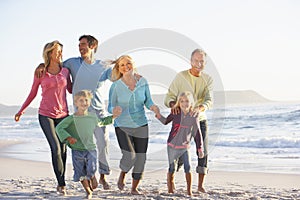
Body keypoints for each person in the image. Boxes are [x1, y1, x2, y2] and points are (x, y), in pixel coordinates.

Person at [35, 35, 113, 189]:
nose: (80, 47)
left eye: (83, 45)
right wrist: (40, 65)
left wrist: (123, 67)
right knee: (83, 146)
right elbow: (54, 63)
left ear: (93, 46)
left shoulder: (102, 65)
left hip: (98, 111)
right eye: (79, 45)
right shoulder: (72, 63)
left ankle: (103, 176)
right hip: (80, 113)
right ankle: (88, 176)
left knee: (103, 144)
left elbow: (115, 77)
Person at [15, 40, 72, 195]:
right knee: (55, 148)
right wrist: (21, 110)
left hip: (64, 115)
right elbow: (33, 92)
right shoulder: (41, 72)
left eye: (61, 51)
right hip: (46, 115)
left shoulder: (65, 71)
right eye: (57, 51)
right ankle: (61, 184)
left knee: (63, 149)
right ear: (49, 53)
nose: (60, 53)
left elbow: (72, 89)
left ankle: (61, 181)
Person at [108, 55, 160, 195]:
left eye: (128, 63)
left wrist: (154, 107)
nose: (126, 67)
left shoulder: (143, 82)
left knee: (141, 157)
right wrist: (114, 110)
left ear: (133, 64)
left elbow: (148, 101)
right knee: (130, 156)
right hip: (122, 125)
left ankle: (134, 188)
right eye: (122, 65)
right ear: (119, 69)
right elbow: (110, 106)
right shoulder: (116, 86)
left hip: (141, 124)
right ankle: (123, 173)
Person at [55, 90, 122, 199]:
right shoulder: (72, 119)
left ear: (90, 102)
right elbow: (59, 128)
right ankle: (88, 191)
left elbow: (102, 122)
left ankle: (92, 176)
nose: (84, 102)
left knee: (92, 168)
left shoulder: (92, 117)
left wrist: (113, 116)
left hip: (90, 148)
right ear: (76, 103)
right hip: (77, 149)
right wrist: (68, 137)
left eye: (86, 100)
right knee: (80, 171)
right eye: (81, 100)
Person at [164, 48, 213, 193]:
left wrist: (200, 108)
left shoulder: (208, 79)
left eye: (201, 61)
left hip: (199, 119)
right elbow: (169, 97)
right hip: (182, 122)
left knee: (202, 150)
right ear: (191, 61)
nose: (198, 63)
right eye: (196, 60)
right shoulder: (181, 77)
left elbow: (209, 100)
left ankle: (200, 185)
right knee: (179, 153)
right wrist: (174, 105)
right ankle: (172, 180)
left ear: (205, 63)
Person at [156, 91, 204, 196]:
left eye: (187, 101)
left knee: (188, 167)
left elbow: (197, 133)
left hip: (184, 146)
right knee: (172, 168)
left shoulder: (193, 115)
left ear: (191, 103)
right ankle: (170, 190)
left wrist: (200, 148)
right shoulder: (175, 112)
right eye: (182, 101)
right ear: (179, 102)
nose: (184, 103)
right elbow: (165, 121)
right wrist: (158, 114)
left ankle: (189, 191)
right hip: (172, 146)